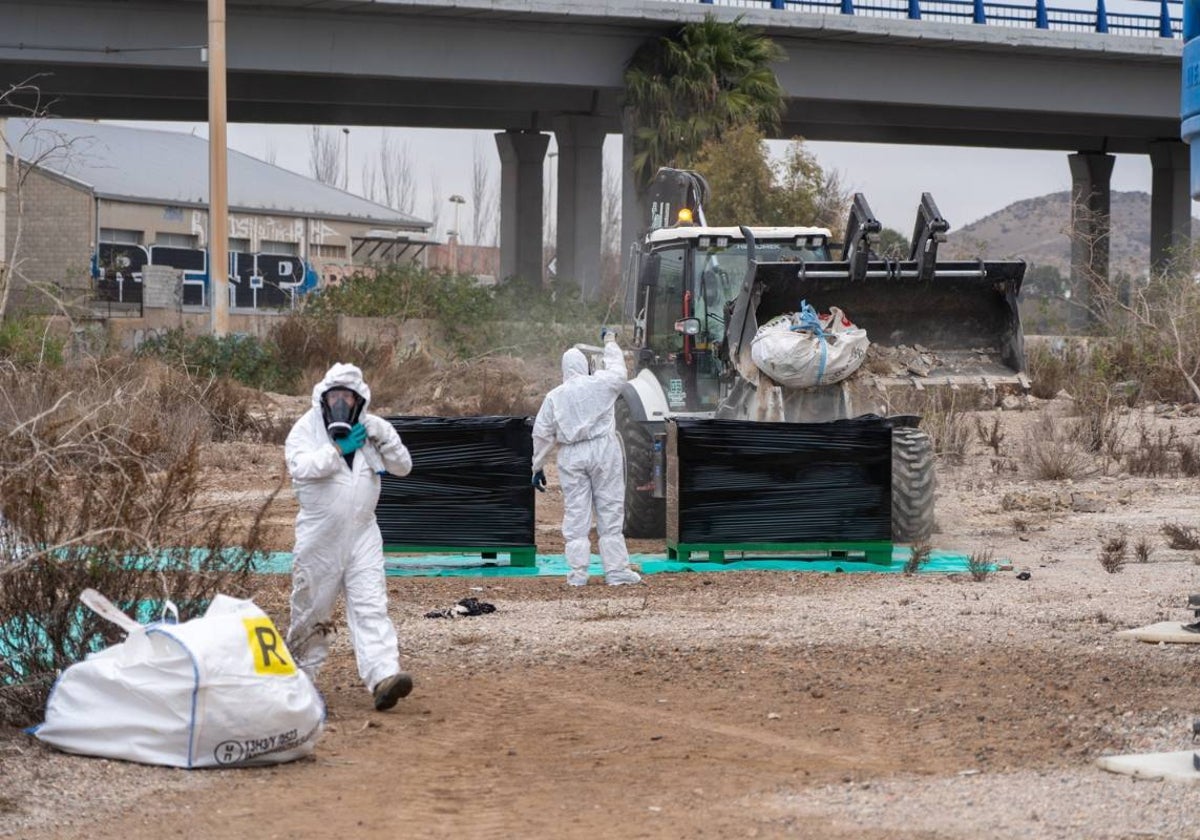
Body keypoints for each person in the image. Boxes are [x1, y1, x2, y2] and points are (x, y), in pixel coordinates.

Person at [284, 362, 415, 711]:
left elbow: (403, 467)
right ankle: (298, 681)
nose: (341, 403)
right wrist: (337, 450)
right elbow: (300, 467)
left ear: (360, 400)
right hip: (320, 536)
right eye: (335, 396)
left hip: (363, 533)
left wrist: (383, 438)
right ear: (323, 399)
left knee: (371, 604)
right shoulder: (305, 429)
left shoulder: (373, 428)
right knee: (312, 609)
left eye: (348, 397)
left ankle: (384, 676)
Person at [532, 329, 643, 587]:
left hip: (571, 454)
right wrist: (610, 342)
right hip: (603, 450)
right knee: (610, 510)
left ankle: (577, 575)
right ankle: (616, 572)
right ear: (586, 366)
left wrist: (537, 466)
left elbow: (542, 434)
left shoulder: (555, 396)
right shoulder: (600, 383)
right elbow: (619, 372)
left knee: (576, 514)